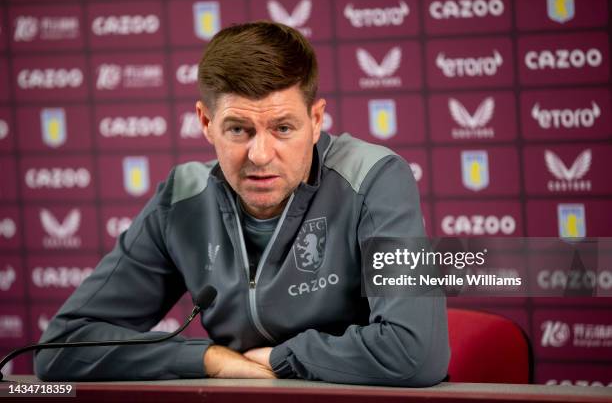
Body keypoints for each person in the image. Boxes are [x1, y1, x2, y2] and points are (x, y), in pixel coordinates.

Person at [34, 21, 449, 386]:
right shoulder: (182, 197)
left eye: (283, 128)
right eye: (238, 130)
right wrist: (206, 359)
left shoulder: (375, 176)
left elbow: (415, 354)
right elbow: (62, 347)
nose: (261, 154)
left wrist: (282, 359)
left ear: (317, 120)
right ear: (206, 122)